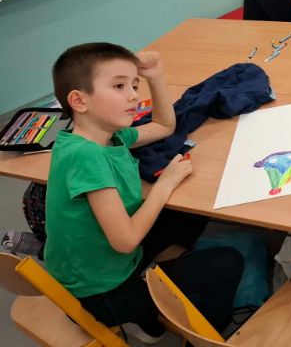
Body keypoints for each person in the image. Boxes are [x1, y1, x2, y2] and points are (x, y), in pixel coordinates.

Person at [45, 43, 243, 343]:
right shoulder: (86, 157)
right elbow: (125, 241)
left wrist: (156, 76)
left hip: (105, 261)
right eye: (119, 86)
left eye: (134, 85)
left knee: (190, 212)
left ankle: (160, 283)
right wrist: (165, 184)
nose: (134, 96)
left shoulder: (107, 137)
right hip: (104, 292)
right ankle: (194, 330)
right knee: (228, 262)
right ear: (79, 101)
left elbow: (164, 125)